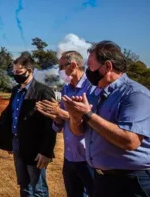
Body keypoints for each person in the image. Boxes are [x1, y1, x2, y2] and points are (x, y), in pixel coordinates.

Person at [63, 41, 150, 196]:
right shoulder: (94, 94)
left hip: (132, 182)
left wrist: (88, 115)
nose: (88, 71)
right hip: (102, 180)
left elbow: (130, 141)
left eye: (91, 66)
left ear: (108, 66)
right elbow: (79, 132)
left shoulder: (135, 95)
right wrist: (75, 118)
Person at [0, 52, 56, 197]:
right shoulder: (16, 90)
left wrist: (46, 151)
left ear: (30, 71)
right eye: (14, 71)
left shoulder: (43, 91)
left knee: (38, 188)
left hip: (35, 148)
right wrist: (8, 141)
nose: (16, 74)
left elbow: (50, 124)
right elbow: (10, 115)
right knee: (24, 185)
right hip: (18, 144)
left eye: (19, 72)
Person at [36, 51, 95, 197]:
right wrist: (55, 116)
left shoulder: (92, 88)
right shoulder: (66, 88)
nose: (59, 71)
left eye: (61, 66)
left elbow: (91, 119)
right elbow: (60, 125)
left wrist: (60, 112)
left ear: (73, 65)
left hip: (89, 157)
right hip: (70, 157)